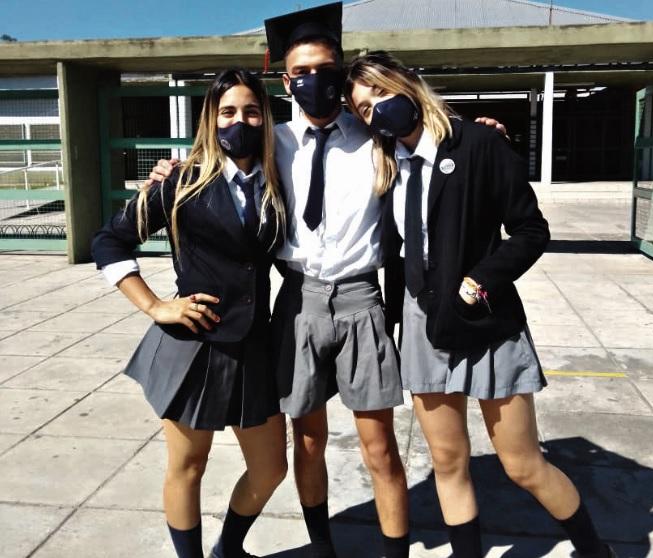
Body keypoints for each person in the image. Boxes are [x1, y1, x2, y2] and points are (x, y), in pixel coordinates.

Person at [146, 5, 507, 557]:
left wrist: (477, 134)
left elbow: (432, 140)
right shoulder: (272, 143)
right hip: (300, 301)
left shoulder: (376, 136)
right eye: (301, 72)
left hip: (362, 299)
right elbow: (217, 166)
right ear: (285, 81)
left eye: (325, 69)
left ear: (341, 72)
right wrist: (168, 172)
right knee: (308, 443)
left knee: (379, 447)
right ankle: (323, 549)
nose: (314, 81)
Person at [344, 51, 617, 558]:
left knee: (522, 464)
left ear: (408, 83)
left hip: (486, 319)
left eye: (381, 92)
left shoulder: (479, 143)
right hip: (424, 324)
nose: (376, 109)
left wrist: (481, 280)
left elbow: (531, 230)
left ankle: (595, 550)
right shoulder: (387, 167)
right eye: (364, 108)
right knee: (448, 462)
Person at [91, 69, 287, 558]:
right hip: (196, 344)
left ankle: (229, 549)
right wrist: (155, 305)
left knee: (270, 468)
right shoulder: (180, 182)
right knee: (188, 466)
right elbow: (109, 241)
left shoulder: (279, 180)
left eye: (251, 111)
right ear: (210, 119)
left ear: (265, 118)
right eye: (227, 111)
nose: (239, 121)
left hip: (254, 344)